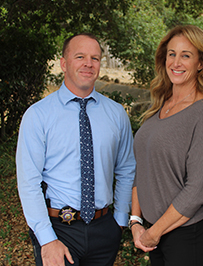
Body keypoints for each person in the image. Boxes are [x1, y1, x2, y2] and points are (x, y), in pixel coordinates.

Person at [16, 33, 136, 266]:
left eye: (95, 58)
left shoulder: (116, 114)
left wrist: (120, 219)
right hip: (59, 230)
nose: (88, 63)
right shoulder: (38, 115)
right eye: (80, 56)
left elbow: (126, 168)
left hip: (105, 229)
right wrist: (47, 240)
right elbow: (28, 182)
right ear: (63, 63)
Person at [130, 25, 203, 266]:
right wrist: (136, 221)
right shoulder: (160, 104)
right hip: (155, 232)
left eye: (186, 55)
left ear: (201, 63)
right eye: (172, 54)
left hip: (187, 235)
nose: (176, 62)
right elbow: (141, 169)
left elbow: (196, 191)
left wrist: (153, 233)